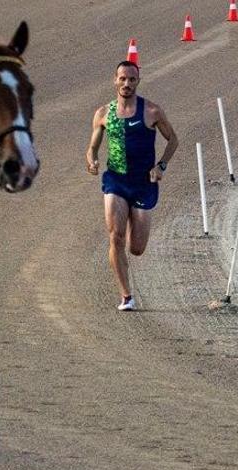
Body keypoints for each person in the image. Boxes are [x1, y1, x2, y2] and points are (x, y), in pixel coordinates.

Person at [85, 61, 178, 311]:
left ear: (138, 81)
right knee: (114, 236)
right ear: (115, 80)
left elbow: (173, 140)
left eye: (132, 80)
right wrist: (92, 160)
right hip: (115, 180)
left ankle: (130, 228)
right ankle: (126, 296)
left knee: (136, 248)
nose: (127, 84)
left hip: (143, 184)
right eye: (122, 79)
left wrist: (161, 166)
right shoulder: (103, 113)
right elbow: (93, 146)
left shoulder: (152, 111)